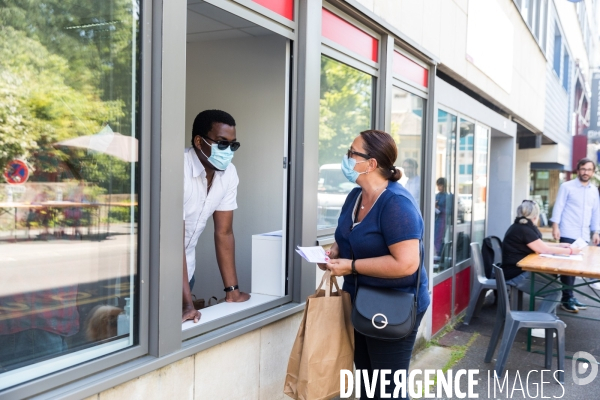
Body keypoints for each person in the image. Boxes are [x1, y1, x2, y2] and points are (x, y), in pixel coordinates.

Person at [318, 129, 429, 399]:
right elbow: (348, 238)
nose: (346, 158)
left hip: (394, 304)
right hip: (360, 301)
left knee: (388, 390)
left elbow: (406, 264)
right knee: (368, 383)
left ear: (371, 164)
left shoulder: (396, 204)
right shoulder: (355, 197)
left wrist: (351, 266)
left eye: (351, 153)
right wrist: (334, 254)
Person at [182, 110, 250, 323]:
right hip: (152, 269)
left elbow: (224, 232)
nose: (228, 151)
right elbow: (170, 240)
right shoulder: (177, 169)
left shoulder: (228, 173)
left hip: (186, 270)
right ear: (199, 141)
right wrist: (186, 304)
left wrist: (232, 291)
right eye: (222, 143)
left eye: (233, 145)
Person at [502, 200, 580, 314]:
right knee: (555, 290)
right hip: (515, 275)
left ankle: (547, 320)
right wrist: (571, 251)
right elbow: (544, 250)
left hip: (515, 271)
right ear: (535, 216)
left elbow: (538, 245)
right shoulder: (524, 229)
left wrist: (559, 245)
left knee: (553, 282)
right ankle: (539, 322)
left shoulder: (519, 226)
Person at [550, 158, 600, 313]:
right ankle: (566, 298)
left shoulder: (593, 190)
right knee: (567, 268)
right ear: (578, 170)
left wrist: (596, 231)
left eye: (589, 169)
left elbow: (596, 212)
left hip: (583, 234)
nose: (586, 172)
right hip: (567, 231)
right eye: (583, 169)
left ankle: (569, 296)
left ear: (593, 172)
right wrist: (555, 226)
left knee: (576, 267)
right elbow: (558, 206)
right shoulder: (567, 186)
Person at [434, 177, 453, 256]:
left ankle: (438, 255)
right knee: (434, 238)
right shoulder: (437, 195)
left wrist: (438, 208)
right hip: (435, 219)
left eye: (440, 185)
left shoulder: (448, 196)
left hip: (442, 220)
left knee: (439, 238)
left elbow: (449, 211)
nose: (439, 187)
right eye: (438, 185)